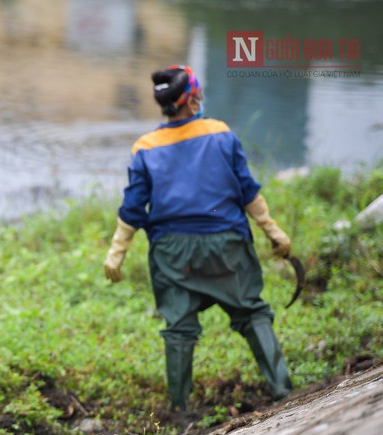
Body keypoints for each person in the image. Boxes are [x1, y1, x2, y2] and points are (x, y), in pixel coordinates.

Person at [103, 65, 293, 413]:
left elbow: (132, 207)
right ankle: (283, 389)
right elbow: (247, 192)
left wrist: (116, 253)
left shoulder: (145, 147)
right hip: (227, 245)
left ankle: (179, 409)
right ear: (191, 100)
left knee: (179, 327)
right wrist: (273, 231)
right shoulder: (220, 133)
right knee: (251, 312)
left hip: (172, 253)